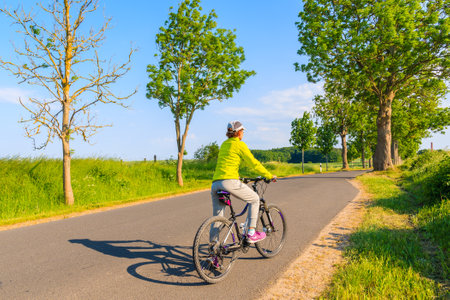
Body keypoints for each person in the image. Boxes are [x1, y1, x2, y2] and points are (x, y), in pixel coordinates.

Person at [211, 121, 277, 243]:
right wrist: (268, 175)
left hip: (216, 183)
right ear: (238, 132)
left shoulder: (224, 144)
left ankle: (213, 249)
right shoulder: (239, 145)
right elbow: (253, 163)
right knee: (255, 199)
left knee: (218, 218)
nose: (243, 133)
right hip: (229, 181)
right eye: (242, 131)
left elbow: (227, 164)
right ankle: (251, 232)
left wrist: (238, 177)